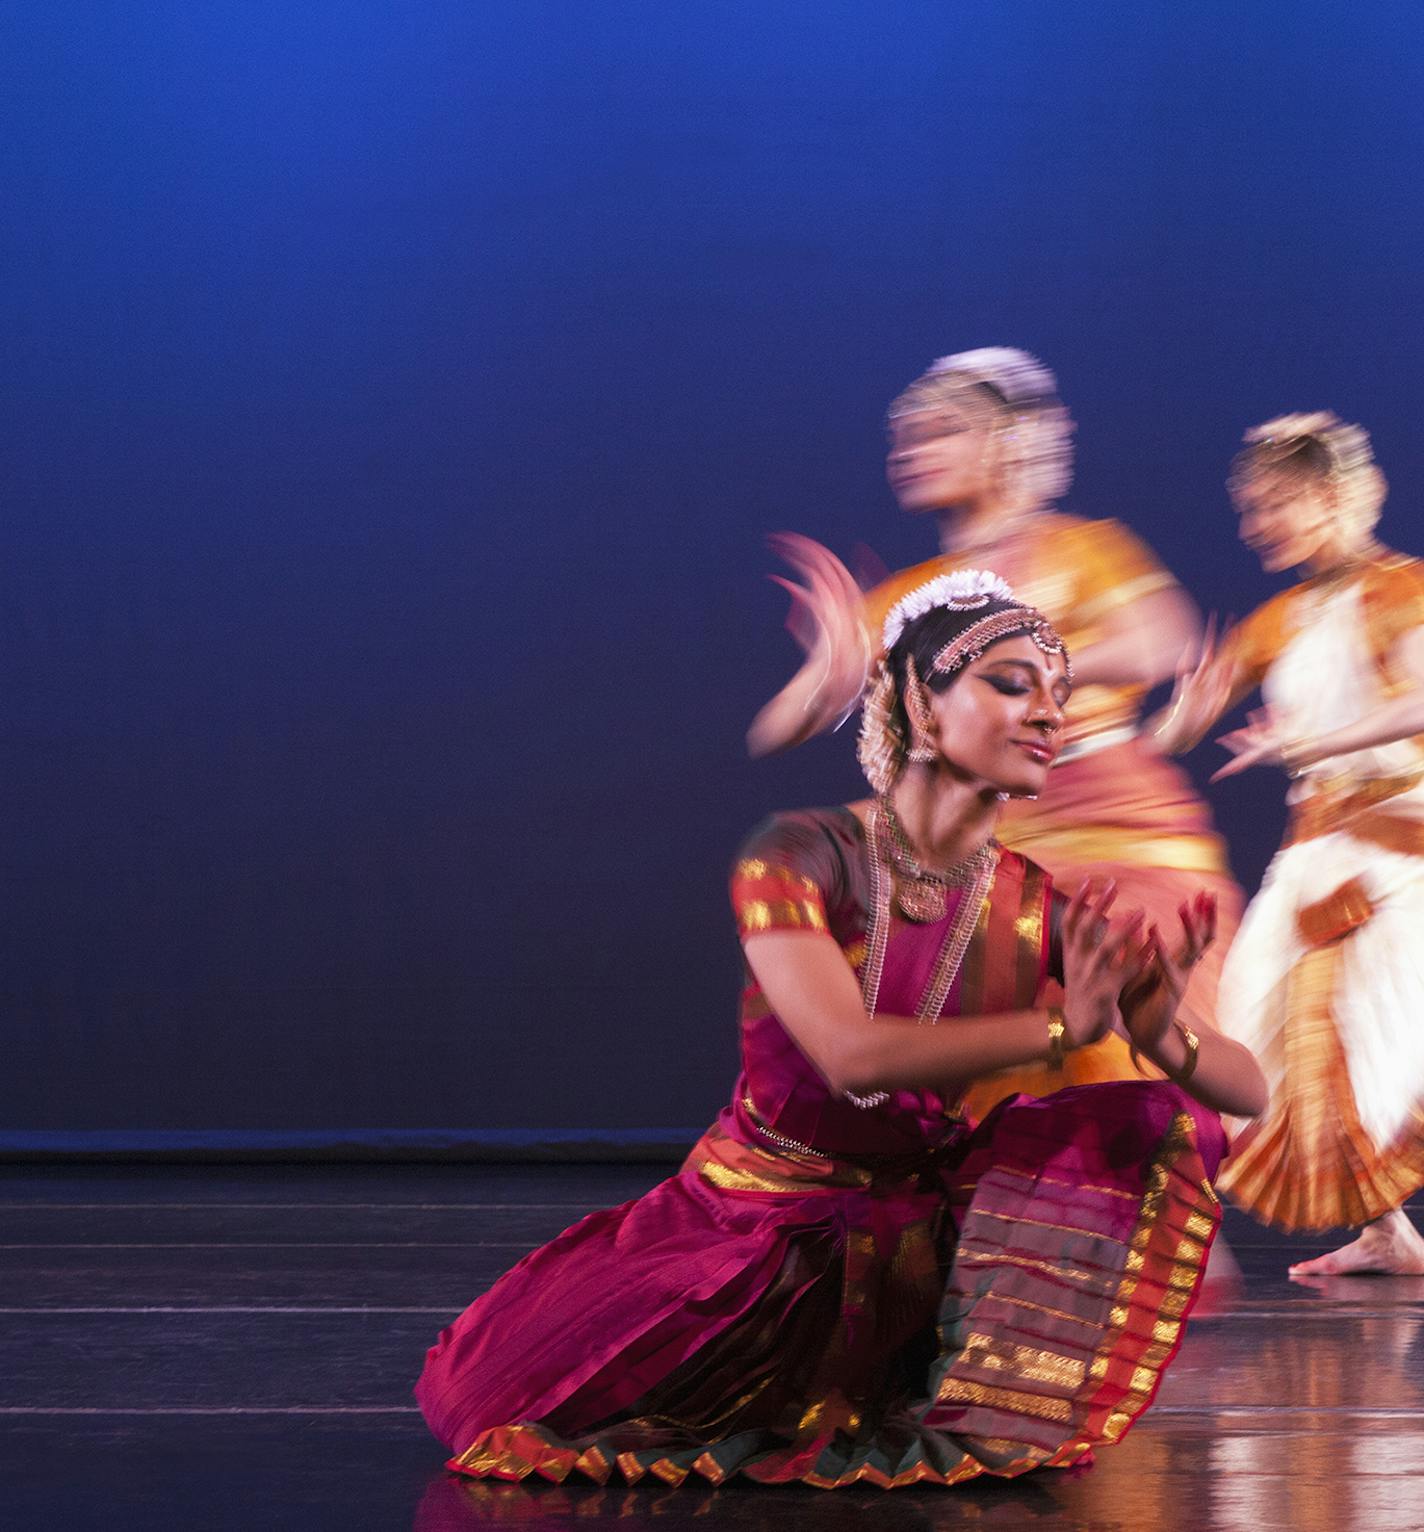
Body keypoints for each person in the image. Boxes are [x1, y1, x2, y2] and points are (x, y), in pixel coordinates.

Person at [416, 574, 1266, 1489]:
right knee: (487, 1393)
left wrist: (1164, 1035)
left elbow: (1247, 1090)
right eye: (1014, 684)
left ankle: (953, 1374)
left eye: (1061, 694)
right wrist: (1061, 1026)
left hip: (914, 1255)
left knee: (1139, 1122)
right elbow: (847, 1052)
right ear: (918, 702)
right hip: (753, 1229)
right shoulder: (798, 852)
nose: (1051, 714)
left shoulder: (1036, 903)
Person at [749, 348, 1243, 1122]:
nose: (911, 453)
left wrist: (1000, 666)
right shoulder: (914, 599)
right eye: (904, 439)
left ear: (1003, 441)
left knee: (1128, 1099)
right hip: (991, 867)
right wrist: (827, 677)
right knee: (1014, 1115)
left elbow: (1159, 639)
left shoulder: (1080, 548)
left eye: (939, 432)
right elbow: (772, 730)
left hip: (1119, 843)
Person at [1153, 412, 1424, 1277]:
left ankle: (1389, 1228)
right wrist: (1179, 723)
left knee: (1375, 1040)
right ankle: (1388, 1232)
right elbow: (1184, 720)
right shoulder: (1281, 616)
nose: (1253, 527)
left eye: (1271, 504)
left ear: (1331, 494)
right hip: (1317, 851)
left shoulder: (1401, 592)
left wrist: (1312, 746)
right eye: (1249, 509)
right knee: (1275, 1030)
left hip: (1400, 848)